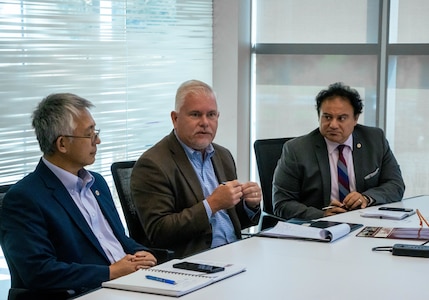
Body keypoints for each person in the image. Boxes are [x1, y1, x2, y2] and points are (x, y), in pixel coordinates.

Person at [0, 93, 157, 298]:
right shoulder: (23, 198)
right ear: (62, 144)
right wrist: (111, 272)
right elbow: (38, 272)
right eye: (89, 134)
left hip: (124, 286)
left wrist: (141, 252)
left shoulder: (96, 182)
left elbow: (115, 240)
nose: (98, 140)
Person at [131, 79, 261, 258]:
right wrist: (212, 205)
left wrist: (249, 205)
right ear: (175, 119)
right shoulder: (153, 164)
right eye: (195, 114)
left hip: (234, 253)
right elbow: (159, 231)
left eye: (211, 115)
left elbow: (235, 222)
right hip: (194, 262)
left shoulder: (223, 156)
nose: (205, 122)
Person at [272, 82, 405, 220]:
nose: (333, 125)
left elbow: (395, 185)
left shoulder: (375, 140)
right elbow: (282, 203)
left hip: (366, 222)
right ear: (319, 116)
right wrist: (322, 216)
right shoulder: (296, 150)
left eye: (341, 118)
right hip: (319, 229)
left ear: (355, 118)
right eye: (327, 117)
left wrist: (366, 198)